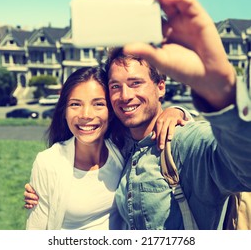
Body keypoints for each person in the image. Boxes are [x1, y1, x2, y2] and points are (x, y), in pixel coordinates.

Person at [103, 0, 251, 229]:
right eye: (115, 86)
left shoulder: (183, 143)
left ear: (160, 86)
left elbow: (244, 168)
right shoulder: (122, 143)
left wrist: (224, 96)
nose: (125, 95)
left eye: (136, 82)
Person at [25, 66, 190, 230]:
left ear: (110, 112)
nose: (86, 115)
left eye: (98, 104)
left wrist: (177, 112)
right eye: (75, 104)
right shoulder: (49, 162)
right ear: (64, 111)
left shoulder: (123, 148)